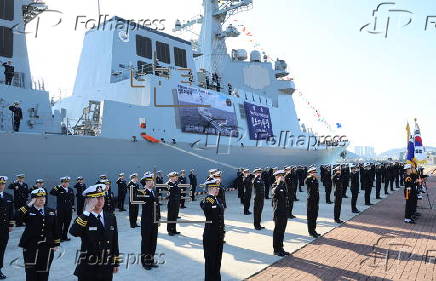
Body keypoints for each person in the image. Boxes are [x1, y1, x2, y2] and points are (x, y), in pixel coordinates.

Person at [70, 184, 120, 281]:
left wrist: (115, 262)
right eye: (96, 198)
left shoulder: (110, 217)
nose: (100, 201)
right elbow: (74, 232)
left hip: (106, 266)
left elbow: (114, 241)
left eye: (102, 197)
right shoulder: (84, 218)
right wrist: (86, 211)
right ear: (89, 201)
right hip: (89, 266)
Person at [17, 188, 60, 281]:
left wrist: (56, 243)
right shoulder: (28, 211)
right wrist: (29, 205)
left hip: (47, 246)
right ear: (33, 199)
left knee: (44, 272)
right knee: (30, 272)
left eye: (43, 197)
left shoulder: (50, 211)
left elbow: (55, 228)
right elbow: (17, 217)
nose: (42, 199)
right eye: (38, 197)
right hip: (30, 246)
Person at [200, 179, 225, 281]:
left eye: (217, 187)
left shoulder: (217, 200)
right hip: (210, 236)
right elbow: (205, 207)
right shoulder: (208, 200)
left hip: (218, 235)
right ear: (210, 189)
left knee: (217, 260)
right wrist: (209, 196)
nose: (217, 189)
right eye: (215, 188)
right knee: (210, 261)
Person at [140, 173, 161, 270]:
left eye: (152, 180)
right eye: (149, 181)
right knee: (146, 242)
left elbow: (157, 206)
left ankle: (151, 261)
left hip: (154, 221)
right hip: (147, 221)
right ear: (145, 182)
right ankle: (145, 262)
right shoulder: (142, 192)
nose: (151, 182)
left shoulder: (154, 191)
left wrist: (159, 218)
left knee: (153, 241)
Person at [50, 176, 74, 242]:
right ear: (61, 183)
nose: (66, 183)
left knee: (67, 223)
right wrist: (58, 186)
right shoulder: (59, 189)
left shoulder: (70, 189)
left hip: (68, 209)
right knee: (59, 223)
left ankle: (65, 236)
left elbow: (72, 199)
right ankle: (59, 237)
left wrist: (73, 207)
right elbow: (51, 192)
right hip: (61, 209)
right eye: (64, 182)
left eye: (67, 182)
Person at [271, 170, 290, 256]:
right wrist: (278, 183)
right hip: (278, 211)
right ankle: (276, 249)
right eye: (280, 176)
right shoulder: (275, 185)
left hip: (284, 211)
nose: (282, 177)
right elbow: (274, 193)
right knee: (277, 231)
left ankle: (281, 248)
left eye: (283, 175)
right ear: (276, 177)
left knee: (282, 230)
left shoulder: (283, 185)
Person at [0, 176, 14, 280]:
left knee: (2, 249)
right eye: (0, 184)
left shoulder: (8, 196)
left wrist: (10, 224)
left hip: (4, 228)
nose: (1, 186)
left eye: (3, 184)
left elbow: (10, 212)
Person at [305, 167, 320, 238]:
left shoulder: (315, 179)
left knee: (315, 215)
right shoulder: (308, 179)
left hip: (316, 200)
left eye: (315, 172)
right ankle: (310, 231)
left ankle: (314, 230)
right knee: (310, 216)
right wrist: (311, 177)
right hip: (311, 200)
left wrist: (314, 178)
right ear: (310, 173)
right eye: (313, 172)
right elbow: (306, 182)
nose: (315, 173)